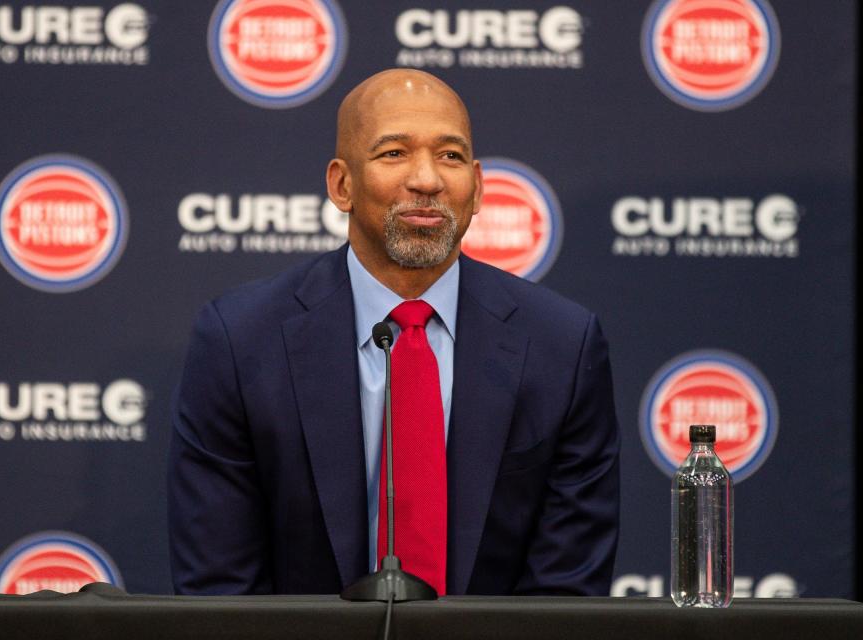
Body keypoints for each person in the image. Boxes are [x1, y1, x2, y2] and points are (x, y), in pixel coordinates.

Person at [168, 69, 620, 596]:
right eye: (394, 154)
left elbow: (565, 596)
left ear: (477, 187)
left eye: (450, 156)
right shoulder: (241, 341)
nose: (427, 180)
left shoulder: (562, 346)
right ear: (342, 185)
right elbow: (220, 593)